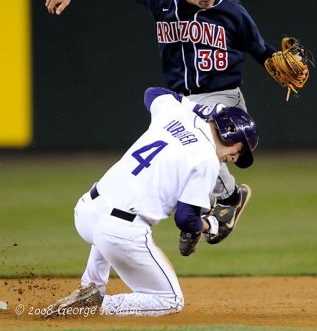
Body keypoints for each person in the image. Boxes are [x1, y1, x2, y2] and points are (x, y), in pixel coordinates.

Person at [45, 0, 274, 243]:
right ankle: (208, 208)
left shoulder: (232, 10)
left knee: (195, 137)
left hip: (222, 97)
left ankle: (224, 200)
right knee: (173, 152)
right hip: (182, 98)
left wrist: (277, 62)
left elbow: (260, 49)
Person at [43, 86, 259, 317]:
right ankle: (99, 304)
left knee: (111, 217)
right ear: (229, 131)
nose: (235, 158)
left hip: (86, 211)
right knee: (170, 301)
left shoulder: (177, 113)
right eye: (240, 150)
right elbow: (186, 219)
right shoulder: (207, 159)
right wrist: (210, 225)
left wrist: (195, 107)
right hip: (119, 233)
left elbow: (152, 92)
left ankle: (91, 286)